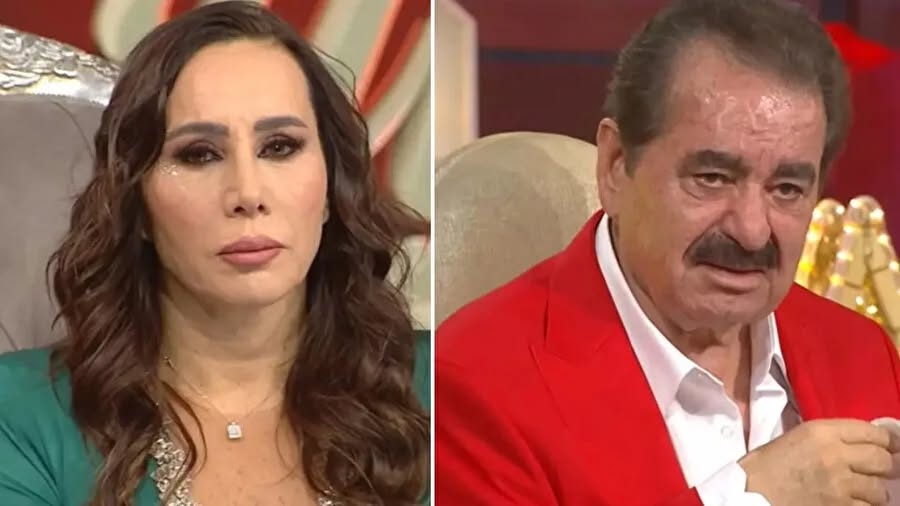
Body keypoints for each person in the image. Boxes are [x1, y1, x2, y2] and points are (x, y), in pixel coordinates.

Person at [436, 0, 900, 504]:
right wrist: (748, 499)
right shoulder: (474, 384)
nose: (751, 231)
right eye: (712, 178)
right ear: (616, 166)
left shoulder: (863, 352)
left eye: (787, 189)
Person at [0, 2, 429, 505]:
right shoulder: (21, 414)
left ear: (333, 188)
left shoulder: (443, 384)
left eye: (280, 147)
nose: (248, 193)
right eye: (199, 154)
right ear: (136, 203)